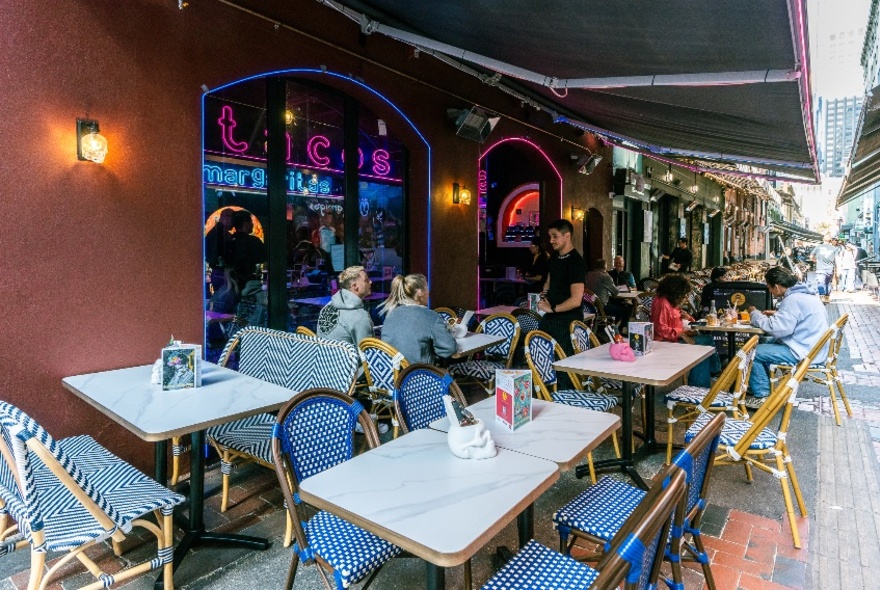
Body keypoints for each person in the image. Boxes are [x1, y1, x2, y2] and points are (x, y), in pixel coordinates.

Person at [745, 266, 829, 404]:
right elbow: (795, 320)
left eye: (770, 288)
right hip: (812, 347)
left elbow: (777, 329)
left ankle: (762, 395)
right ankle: (761, 385)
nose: (770, 291)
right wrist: (778, 314)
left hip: (802, 352)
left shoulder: (792, 300)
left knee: (753, 351)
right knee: (765, 344)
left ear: (777, 287)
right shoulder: (807, 295)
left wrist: (755, 314)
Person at [651, 274, 720, 387]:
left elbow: (681, 318)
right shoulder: (662, 303)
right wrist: (681, 334)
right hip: (666, 342)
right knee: (705, 345)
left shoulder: (671, 301)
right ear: (676, 291)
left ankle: (705, 381)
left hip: (675, 337)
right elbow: (660, 328)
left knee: (706, 343)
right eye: (683, 294)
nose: (685, 297)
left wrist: (688, 317)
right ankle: (709, 377)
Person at [537, 219, 586, 363]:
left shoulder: (576, 262)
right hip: (550, 318)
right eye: (550, 236)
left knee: (564, 364)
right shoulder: (554, 257)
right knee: (542, 361)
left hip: (568, 321)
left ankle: (566, 386)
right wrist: (544, 296)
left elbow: (576, 300)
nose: (551, 240)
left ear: (567, 236)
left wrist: (552, 309)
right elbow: (548, 281)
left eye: (555, 236)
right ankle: (545, 386)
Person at [380, 273, 457, 364]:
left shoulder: (391, 314)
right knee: (449, 377)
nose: (429, 292)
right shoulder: (431, 317)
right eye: (427, 288)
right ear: (420, 293)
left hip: (392, 374)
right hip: (417, 374)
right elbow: (449, 349)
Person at [317, 266, 374, 346]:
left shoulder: (326, 307)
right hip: (347, 358)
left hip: (324, 356)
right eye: (366, 280)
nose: (370, 282)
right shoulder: (360, 317)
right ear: (354, 286)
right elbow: (367, 352)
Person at [585, 258, 632, 328]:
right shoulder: (605, 277)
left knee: (617, 305)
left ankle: (610, 326)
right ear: (605, 267)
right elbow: (615, 292)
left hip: (588, 306)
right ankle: (621, 329)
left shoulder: (588, 275)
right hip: (602, 307)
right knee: (628, 308)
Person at [228, 210, 267, 285]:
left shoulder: (229, 241)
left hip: (231, 282)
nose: (252, 224)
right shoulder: (254, 241)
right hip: (249, 282)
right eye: (251, 222)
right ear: (245, 223)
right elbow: (264, 259)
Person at [810, 233, 837, 299]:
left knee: (820, 282)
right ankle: (827, 296)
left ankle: (822, 295)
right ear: (830, 240)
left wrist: (815, 261)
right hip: (830, 269)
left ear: (823, 239)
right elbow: (837, 259)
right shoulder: (834, 248)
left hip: (820, 268)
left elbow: (811, 256)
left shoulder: (818, 247)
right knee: (827, 283)